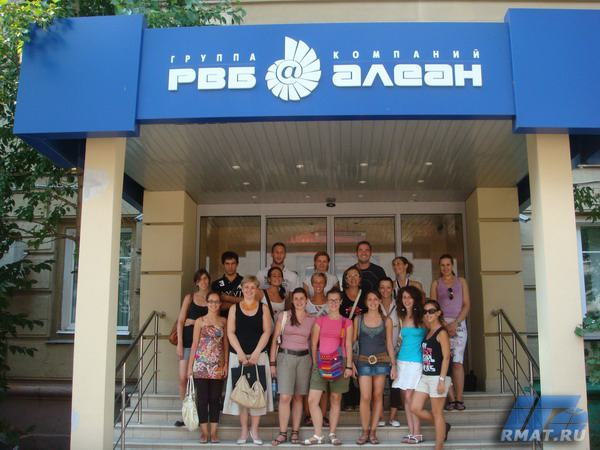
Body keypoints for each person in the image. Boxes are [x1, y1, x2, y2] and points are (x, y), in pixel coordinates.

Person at [223, 275, 273, 445]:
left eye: (253, 287)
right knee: (241, 393)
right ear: (242, 289)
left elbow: (267, 331)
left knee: (258, 393)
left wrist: (257, 352)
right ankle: (244, 430)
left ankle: (255, 430)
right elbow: (230, 332)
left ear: (257, 290)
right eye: (246, 287)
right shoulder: (234, 308)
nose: (249, 290)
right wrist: (240, 352)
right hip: (238, 356)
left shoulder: (263, 308)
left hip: (259, 356)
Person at [303, 289, 354, 446]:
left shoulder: (347, 322)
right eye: (331, 300)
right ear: (327, 301)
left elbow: (348, 345)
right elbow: (314, 343)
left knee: (336, 398)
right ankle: (318, 434)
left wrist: (349, 366)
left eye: (336, 300)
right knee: (312, 400)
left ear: (341, 302)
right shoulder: (321, 321)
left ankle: (332, 433)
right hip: (321, 363)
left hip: (340, 362)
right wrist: (314, 362)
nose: (333, 303)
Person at [269, 288, 316, 446]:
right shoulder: (284, 316)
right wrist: (272, 363)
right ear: (292, 300)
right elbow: (275, 339)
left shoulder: (312, 319)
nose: (299, 301)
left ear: (306, 300)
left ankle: (295, 431)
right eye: (296, 298)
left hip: (304, 358)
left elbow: (313, 342)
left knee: (298, 396)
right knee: (285, 396)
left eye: (302, 298)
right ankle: (283, 433)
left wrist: (314, 363)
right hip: (285, 357)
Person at [352, 290, 397, 445]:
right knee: (365, 396)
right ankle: (365, 431)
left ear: (379, 301)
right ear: (365, 302)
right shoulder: (358, 319)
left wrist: (393, 365)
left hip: (382, 361)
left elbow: (389, 343)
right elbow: (352, 342)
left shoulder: (387, 320)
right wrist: (351, 363)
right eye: (369, 299)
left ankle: (373, 432)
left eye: (375, 299)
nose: (372, 302)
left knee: (378, 395)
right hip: (363, 361)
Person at [430, 254, 470, 412]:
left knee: (458, 362)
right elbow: (433, 307)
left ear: (452, 265)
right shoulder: (436, 283)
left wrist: (456, 323)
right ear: (439, 267)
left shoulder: (461, 281)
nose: (445, 268)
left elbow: (466, 304)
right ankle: (451, 399)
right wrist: (444, 324)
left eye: (448, 264)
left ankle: (459, 398)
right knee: (445, 361)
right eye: (442, 265)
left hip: (459, 323)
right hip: (442, 324)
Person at [186, 291, 228, 443]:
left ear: (220, 304)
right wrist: (190, 366)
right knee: (202, 399)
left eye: (216, 301)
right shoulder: (200, 321)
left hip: (217, 365)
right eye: (211, 301)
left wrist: (226, 364)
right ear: (207, 303)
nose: (213, 304)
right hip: (201, 364)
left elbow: (226, 344)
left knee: (215, 399)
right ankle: (204, 432)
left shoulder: (223, 321)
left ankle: (214, 433)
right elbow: (194, 344)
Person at [411, 300, 453, 450]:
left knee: (437, 412)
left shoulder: (442, 333)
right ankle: (443, 426)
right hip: (426, 376)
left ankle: (439, 446)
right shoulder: (428, 331)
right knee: (415, 407)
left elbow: (446, 357)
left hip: (438, 377)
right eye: (425, 311)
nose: (428, 314)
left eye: (431, 311)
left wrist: (442, 380)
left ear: (438, 313)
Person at [175, 269, 209, 427]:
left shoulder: (211, 299)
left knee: (200, 381)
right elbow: (181, 321)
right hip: (188, 343)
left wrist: (194, 322)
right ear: (196, 282)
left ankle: (199, 412)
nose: (203, 281)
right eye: (200, 279)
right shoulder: (190, 297)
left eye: (205, 278)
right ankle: (185, 413)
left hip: (205, 346)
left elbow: (212, 322)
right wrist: (180, 343)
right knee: (183, 378)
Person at [392, 286, 427, 444]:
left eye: (410, 297)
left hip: (416, 361)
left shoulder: (422, 317)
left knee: (410, 397)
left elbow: (434, 332)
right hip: (402, 361)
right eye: (404, 297)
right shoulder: (402, 316)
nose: (406, 300)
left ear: (415, 299)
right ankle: (412, 432)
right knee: (406, 399)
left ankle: (417, 432)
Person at [303, 272, 330, 428]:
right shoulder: (306, 303)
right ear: (311, 284)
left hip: (326, 348)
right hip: (307, 346)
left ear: (325, 284)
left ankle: (323, 415)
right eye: (315, 282)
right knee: (308, 382)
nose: (318, 285)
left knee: (324, 384)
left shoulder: (330, 303)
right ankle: (308, 415)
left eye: (321, 282)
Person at [340, 266, 365, 411]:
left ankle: (360, 401)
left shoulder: (365, 295)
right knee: (346, 366)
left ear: (360, 278)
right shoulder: (341, 296)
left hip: (362, 338)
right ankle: (348, 402)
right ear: (345, 280)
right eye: (349, 276)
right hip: (343, 338)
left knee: (360, 368)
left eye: (356, 275)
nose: (353, 278)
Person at [378, 277, 401, 427]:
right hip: (379, 352)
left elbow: (402, 328)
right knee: (378, 387)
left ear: (392, 288)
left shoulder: (398, 306)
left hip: (396, 350)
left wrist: (398, 347)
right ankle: (380, 417)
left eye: (388, 287)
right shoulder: (375, 304)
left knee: (395, 385)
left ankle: (392, 417)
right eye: (382, 287)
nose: (385, 290)